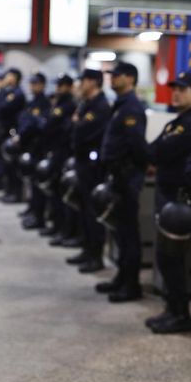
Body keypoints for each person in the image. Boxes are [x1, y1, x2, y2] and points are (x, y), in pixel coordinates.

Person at [145, 72, 191, 333]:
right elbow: (155, 148)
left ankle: (180, 313)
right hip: (167, 195)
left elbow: (160, 151)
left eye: (183, 89)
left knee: (173, 258)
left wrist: (154, 154)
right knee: (165, 256)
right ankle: (172, 308)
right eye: (175, 89)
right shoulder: (177, 121)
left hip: (179, 199)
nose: (177, 93)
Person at [96, 62, 148, 303]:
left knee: (128, 234)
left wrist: (130, 171)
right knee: (119, 232)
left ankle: (131, 284)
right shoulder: (120, 105)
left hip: (127, 177)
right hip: (118, 176)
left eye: (116, 76)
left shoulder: (132, 108)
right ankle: (121, 277)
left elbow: (137, 145)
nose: (112, 79)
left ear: (130, 79)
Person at [67, 69, 112, 274]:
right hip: (82, 163)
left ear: (94, 82)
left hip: (93, 167)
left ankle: (96, 256)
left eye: (83, 80)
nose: (81, 84)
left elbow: (84, 132)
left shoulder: (100, 106)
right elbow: (75, 128)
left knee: (93, 211)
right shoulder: (86, 104)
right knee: (84, 209)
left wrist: (77, 123)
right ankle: (87, 249)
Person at [39, 74, 77, 239]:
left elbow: (53, 125)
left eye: (62, 85)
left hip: (63, 153)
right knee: (53, 191)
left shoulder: (68, 105)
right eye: (58, 85)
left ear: (69, 86)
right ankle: (56, 225)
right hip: (55, 150)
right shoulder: (59, 103)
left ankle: (64, 229)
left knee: (61, 194)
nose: (58, 88)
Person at [19, 72, 51, 230]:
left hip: (40, 148)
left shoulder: (44, 103)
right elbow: (24, 121)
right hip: (30, 146)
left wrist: (30, 123)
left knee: (39, 186)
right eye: (32, 83)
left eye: (36, 83)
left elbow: (40, 125)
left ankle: (39, 217)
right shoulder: (32, 102)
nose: (33, 86)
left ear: (43, 85)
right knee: (32, 183)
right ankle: (33, 210)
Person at [0, 68, 26, 202]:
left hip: (12, 132)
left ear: (15, 77)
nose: (6, 77)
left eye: (9, 75)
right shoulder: (8, 92)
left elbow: (2, 108)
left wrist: (3, 91)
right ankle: (9, 191)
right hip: (5, 131)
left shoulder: (17, 93)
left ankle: (15, 194)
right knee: (6, 164)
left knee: (13, 165)